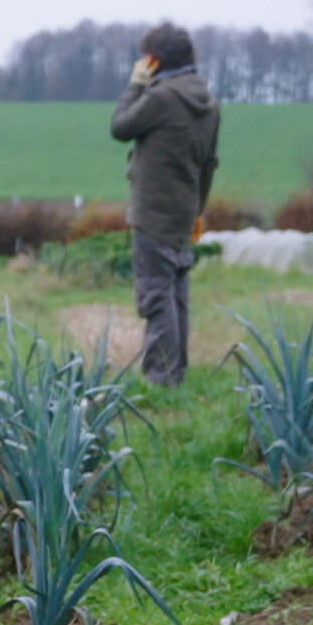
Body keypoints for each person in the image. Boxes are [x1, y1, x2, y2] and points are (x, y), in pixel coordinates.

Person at [108, 21, 219, 386]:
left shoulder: (160, 99)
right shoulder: (208, 102)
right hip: (185, 211)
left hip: (153, 214)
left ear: (154, 61)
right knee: (176, 295)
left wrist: (136, 83)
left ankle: (162, 379)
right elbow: (209, 164)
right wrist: (199, 211)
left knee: (156, 295)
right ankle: (177, 373)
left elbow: (120, 126)